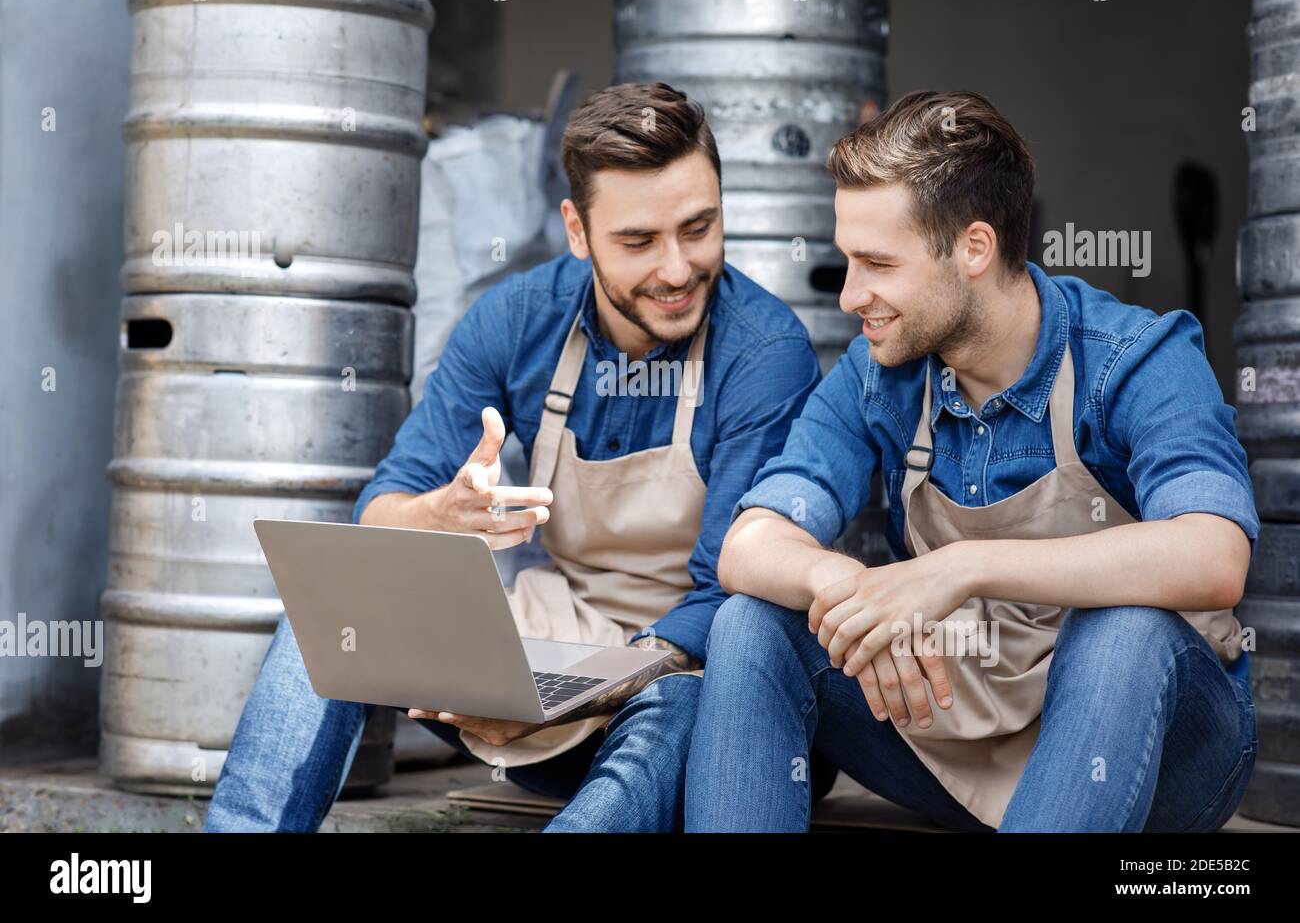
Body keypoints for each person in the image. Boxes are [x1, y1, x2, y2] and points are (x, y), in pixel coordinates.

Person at [203, 81, 825, 833]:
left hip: (694, 692)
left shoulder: (764, 352)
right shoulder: (516, 319)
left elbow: (728, 600)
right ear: (576, 229)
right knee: (333, 607)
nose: (676, 268)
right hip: (561, 632)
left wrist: (561, 695)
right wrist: (442, 515)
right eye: (637, 241)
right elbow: (383, 510)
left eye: (699, 227)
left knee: (693, 694)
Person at [685, 90, 1258, 832]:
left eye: (877, 264)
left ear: (975, 249)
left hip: (1159, 761)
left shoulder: (1133, 358)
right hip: (949, 732)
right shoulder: (877, 374)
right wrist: (852, 592)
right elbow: (750, 543)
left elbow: (1213, 553)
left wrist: (956, 569)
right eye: (846, 262)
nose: (852, 295)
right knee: (751, 622)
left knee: (1123, 628)